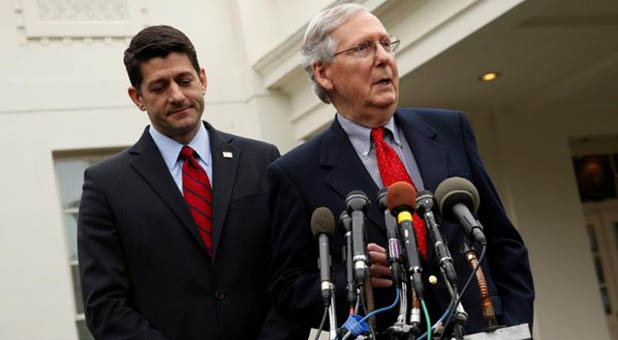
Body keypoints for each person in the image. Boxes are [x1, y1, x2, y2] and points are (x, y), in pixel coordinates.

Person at [268, 3, 534, 338]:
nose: (383, 58)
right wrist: (351, 278)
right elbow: (287, 288)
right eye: (363, 48)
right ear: (323, 73)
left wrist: (514, 326)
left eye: (385, 44)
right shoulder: (294, 173)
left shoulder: (451, 130)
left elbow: (503, 242)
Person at [78, 25, 306, 340]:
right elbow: (105, 306)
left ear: (202, 79)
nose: (177, 95)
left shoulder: (262, 160)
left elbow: (293, 271)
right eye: (159, 87)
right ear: (138, 97)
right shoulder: (105, 185)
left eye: (184, 80)